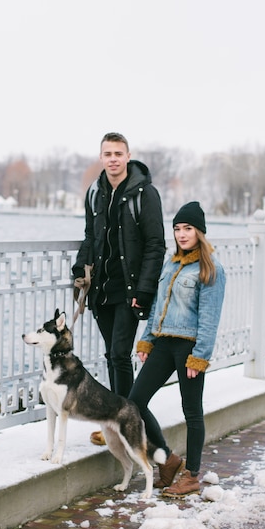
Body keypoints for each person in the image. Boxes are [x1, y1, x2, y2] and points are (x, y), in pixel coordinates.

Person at [72, 132, 165, 445]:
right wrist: (79, 268)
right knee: (112, 357)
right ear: (101, 157)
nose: (112, 159)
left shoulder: (145, 194)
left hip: (129, 290)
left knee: (119, 355)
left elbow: (155, 244)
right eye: (107, 153)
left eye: (118, 153)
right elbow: (90, 237)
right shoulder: (95, 193)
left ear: (128, 157)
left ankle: (125, 424)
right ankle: (118, 421)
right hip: (101, 291)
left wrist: (145, 289)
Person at [128, 201, 226, 497]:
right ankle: (168, 460)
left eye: (188, 229)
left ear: (200, 232)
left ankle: (192, 475)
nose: (182, 234)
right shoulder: (170, 264)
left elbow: (210, 319)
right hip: (163, 342)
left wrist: (200, 357)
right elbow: (157, 307)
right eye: (177, 229)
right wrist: (147, 340)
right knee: (135, 401)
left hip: (189, 348)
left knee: (192, 411)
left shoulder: (211, 268)